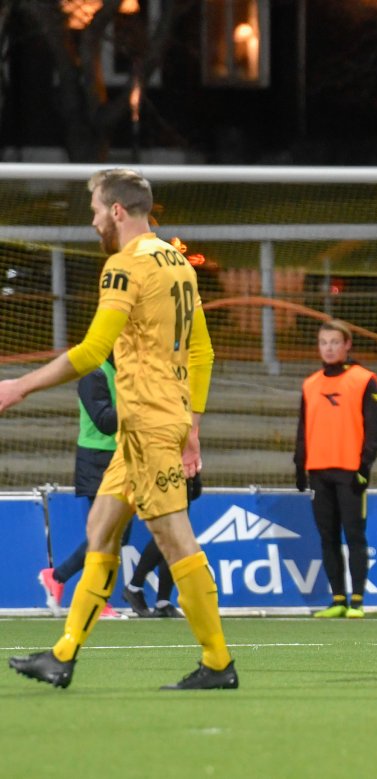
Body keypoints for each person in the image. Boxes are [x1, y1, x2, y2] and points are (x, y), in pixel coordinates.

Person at [3, 168, 236, 690]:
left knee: (175, 540)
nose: (91, 222)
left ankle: (219, 663)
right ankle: (63, 655)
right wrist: (192, 426)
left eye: (93, 211)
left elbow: (90, 352)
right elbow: (203, 350)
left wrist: (19, 386)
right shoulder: (177, 261)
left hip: (148, 424)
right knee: (100, 530)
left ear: (116, 211)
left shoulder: (124, 266)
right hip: (154, 423)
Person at [294, 320, 377, 619]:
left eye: (335, 342)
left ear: (347, 345)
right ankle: (337, 599)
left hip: (350, 472)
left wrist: (364, 467)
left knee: (354, 535)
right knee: (327, 536)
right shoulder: (310, 384)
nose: (329, 348)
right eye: (324, 342)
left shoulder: (363, 379)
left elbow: (376, 430)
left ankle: (357, 601)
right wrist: (300, 466)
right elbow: (302, 429)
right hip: (319, 471)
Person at [38, 355, 127, 621]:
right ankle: (96, 600)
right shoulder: (94, 373)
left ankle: (57, 576)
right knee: (105, 533)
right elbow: (105, 421)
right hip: (96, 461)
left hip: (121, 458)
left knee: (118, 534)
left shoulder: (126, 371)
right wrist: (139, 403)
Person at [122, 473, 201, 619]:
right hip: (165, 472)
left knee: (174, 536)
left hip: (179, 472)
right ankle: (134, 587)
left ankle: (162, 602)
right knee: (170, 531)